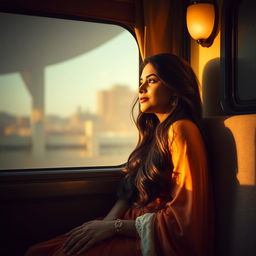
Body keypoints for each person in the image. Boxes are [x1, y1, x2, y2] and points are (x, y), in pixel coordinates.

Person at [26, 53, 213, 256]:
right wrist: (105, 225)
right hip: (129, 225)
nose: (141, 89)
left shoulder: (181, 130)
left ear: (175, 90)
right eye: (141, 82)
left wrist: (114, 227)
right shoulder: (155, 133)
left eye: (151, 81)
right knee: (37, 251)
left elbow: (184, 220)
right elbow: (130, 190)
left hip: (152, 238)